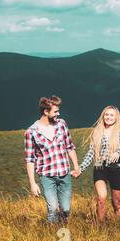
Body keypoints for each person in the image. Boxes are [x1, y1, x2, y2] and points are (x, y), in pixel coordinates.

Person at [24, 95, 80, 223]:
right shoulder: (31, 132)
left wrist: (76, 167)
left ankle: (63, 229)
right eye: (55, 111)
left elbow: (70, 147)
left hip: (64, 173)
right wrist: (33, 183)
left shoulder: (62, 124)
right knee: (53, 208)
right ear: (45, 111)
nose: (58, 114)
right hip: (47, 176)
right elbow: (30, 159)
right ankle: (52, 234)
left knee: (65, 209)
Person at [79, 106, 120, 221]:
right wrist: (80, 169)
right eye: (106, 115)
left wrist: (118, 153)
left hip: (116, 169)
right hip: (100, 168)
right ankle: (100, 226)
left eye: (111, 115)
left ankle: (118, 227)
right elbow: (91, 153)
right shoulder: (97, 132)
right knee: (101, 198)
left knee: (117, 203)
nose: (108, 117)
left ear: (116, 117)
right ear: (103, 116)